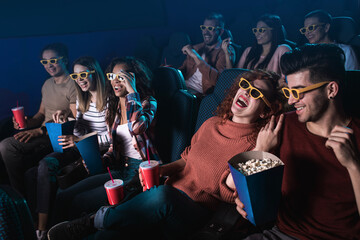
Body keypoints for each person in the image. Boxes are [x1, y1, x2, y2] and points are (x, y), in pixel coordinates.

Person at [47, 69, 284, 240]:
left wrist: (259, 152)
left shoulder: (257, 144)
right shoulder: (211, 123)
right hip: (160, 198)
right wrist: (163, 170)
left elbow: (234, 194)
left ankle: (93, 220)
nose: (246, 92)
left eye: (256, 93)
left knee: (163, 197)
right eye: (245, 85)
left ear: (266, 111)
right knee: (107, 237)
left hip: (196, 213)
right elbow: (187, 160)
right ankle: (95, 226)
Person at [228, 44, 360, 239]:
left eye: (298, 92)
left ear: (331, 89)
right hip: (283, 235)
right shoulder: (284, 124)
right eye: (289, 91)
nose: (290, 100)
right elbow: (241, 185)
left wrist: (353, 165)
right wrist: (245, 199)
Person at [49, 56, 159, 225]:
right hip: (119, 168)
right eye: (112, 76)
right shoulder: (114, 108)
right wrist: (99, 161)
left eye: (121, 77)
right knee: (63, 195)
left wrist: (132, 92)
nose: (115, 81)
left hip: (140, 173)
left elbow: (137, 127)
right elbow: (113, 148)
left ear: (133, 78)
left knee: (80, 201)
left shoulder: (147, 102)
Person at [29, 56, 110, 240]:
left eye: (83, 74)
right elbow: (81, 128)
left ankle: (47, 229)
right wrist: (66, 120)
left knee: (50, 173)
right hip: (80, 146)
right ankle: (42, 227)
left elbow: (113, 139)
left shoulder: (108, 100)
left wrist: (79, 139)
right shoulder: (84, 98)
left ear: (95, 73)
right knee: (42, 167)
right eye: (75, 76)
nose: (79, 80)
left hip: (95, 152)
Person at [0, 43, 77, 196]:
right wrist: (28, 123)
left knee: (7, 146)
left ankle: (19, 196)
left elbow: (74, 119)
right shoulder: (47, 84)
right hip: (42, 132)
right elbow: (40, 114)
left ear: (65, 60)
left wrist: (40, 131)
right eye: (45, 61)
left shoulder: (73, 84)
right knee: (6, 138)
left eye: (54, 60)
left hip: (57, 136)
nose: (49, 65)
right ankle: (19, 194)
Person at [179, 12, 226, 97]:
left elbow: (219, 81)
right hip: (183, 86)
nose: (205, 32)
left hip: (199, 94)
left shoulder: (224, 52)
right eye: (204, 28)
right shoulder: (196, 47)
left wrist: (195, 56)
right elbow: (183, 70)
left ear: (221, 31)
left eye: (211, 28)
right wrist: (171, 72)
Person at [235, 14, 291, 84]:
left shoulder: (282, 49)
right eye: (255, 30)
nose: (257, 34)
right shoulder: (249, 51)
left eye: (261, 30)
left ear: (273, 31)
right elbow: (235, 76)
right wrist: (228, 57)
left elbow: (286, 81)